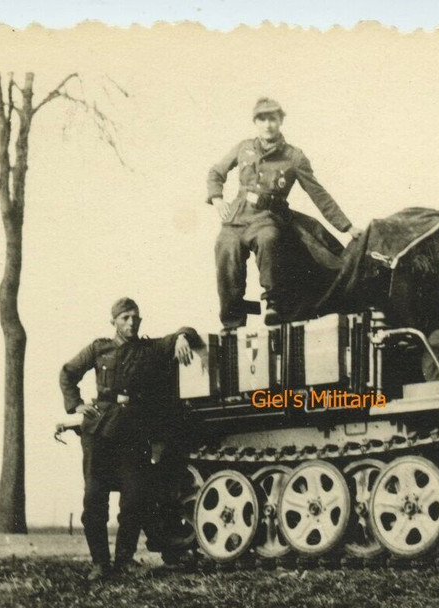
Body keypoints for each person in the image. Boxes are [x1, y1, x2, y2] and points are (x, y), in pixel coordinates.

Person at [59, 297, 200, 581]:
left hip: (133, 434)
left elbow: (188, 331)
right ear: (113, 322)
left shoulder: (150, 349)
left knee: (134, 498)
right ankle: (100, 563)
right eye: (124, 318)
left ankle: (124, 560)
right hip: (99, 432)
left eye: (135, 318)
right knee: (94, 499)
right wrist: (75, 406)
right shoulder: (99, 348)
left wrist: (183, 337)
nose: (131, 323)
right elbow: (68, 373)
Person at [207, 97, 363, 327]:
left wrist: (346, 226)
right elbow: (216, 172)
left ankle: (273, 303)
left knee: (269, 239)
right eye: (262, 119)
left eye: (273, 119)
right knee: (224, 247)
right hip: (237, 216)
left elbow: (318, 193)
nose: (268, 124)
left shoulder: (293, 156)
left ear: (281, 121)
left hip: (268, 217)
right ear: (255, 122)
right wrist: (217, 198)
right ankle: (232, 320)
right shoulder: (244, 148)